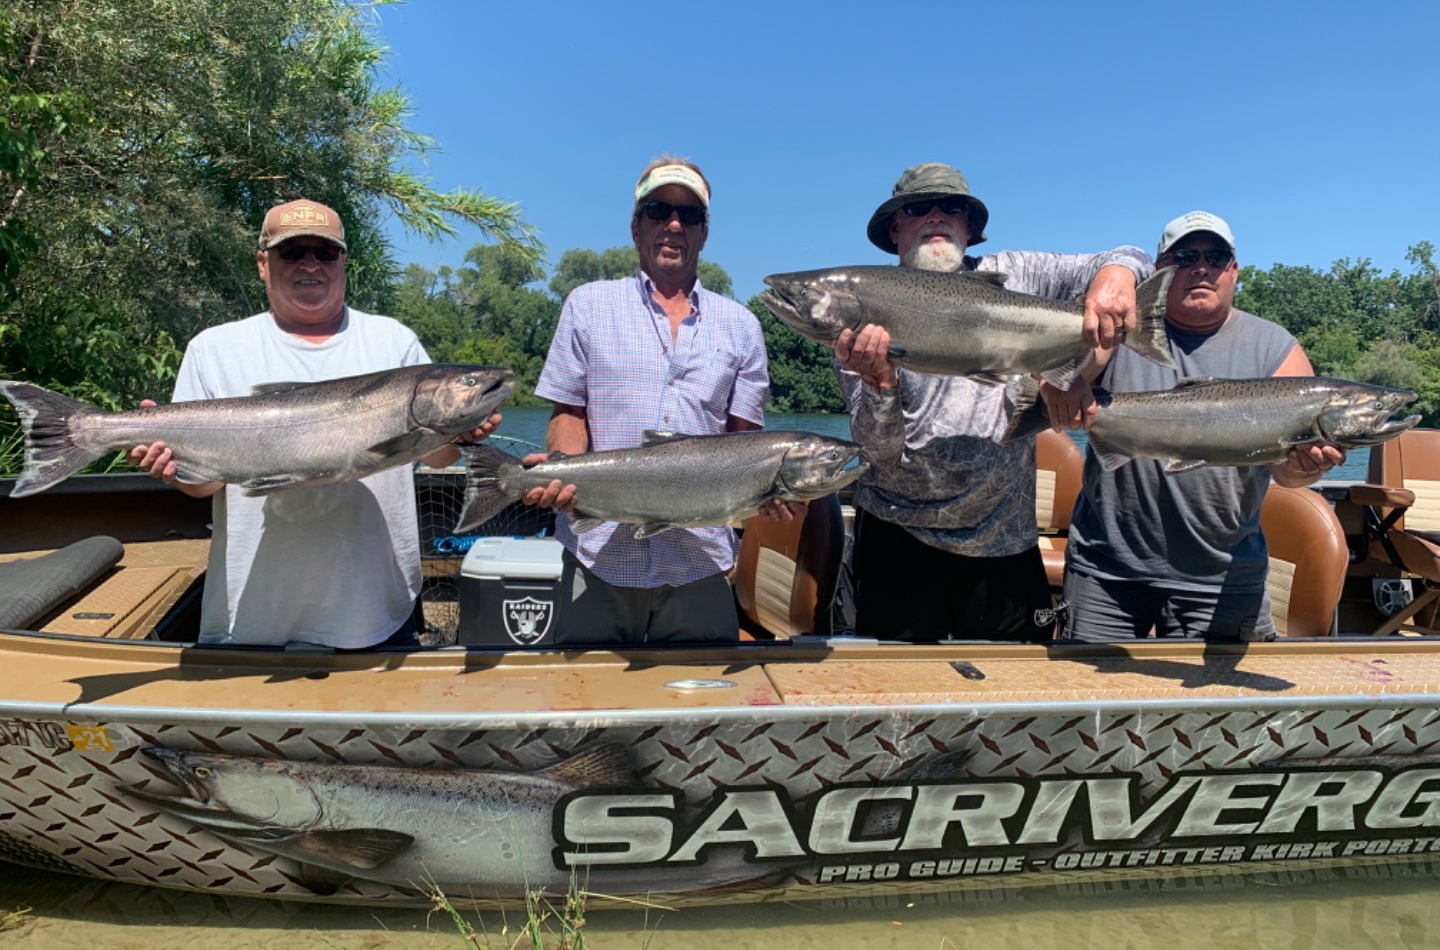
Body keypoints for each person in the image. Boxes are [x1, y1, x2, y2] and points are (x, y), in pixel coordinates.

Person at [128, 199, 498, 649]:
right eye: (292, 252)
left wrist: (459, 432)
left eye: (324, 252)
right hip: (252, 610)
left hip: (374, 611)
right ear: (263, 264)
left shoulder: (393, 341)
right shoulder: (215, 348)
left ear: (343, 260)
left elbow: (437, 457)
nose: (311, 264)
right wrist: (172, 467)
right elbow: (203, 486)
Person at [838, 162, 1151, 643]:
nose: (937, 216)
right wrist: (881, 384)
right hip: (898, 543)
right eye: (919, 207)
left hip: (1005, 542)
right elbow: (877, 455)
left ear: (969, 225)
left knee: (1012, 698)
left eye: (953, 207)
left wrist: (1117, 278)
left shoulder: (1018, 273)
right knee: (903, 703)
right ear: (896, 226)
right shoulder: (862, 315)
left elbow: (1128, 254)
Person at [525, 156, 783, 644]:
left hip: (700, 565)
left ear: (704, 233)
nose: (673, 224)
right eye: (659, 210)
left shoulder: (742, 326)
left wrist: (768, 495)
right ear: (635, 226)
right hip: (598, 557)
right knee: (588, 707)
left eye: (689, 216)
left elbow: (748, 447)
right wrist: (561, 470)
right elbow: (570, 414)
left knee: (703, 713)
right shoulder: (588, 305)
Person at [1062, 210, 1345, 642]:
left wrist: (1307, 469)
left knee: (1219, 712)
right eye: (1186, 256)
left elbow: (1286, 474)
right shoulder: (1118, 330)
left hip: (1223, 576)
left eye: (1216, 258)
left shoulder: (1275, 348)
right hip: (1106, 571)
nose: (1201, 268)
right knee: (1094, 708)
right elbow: (1065, 383)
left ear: (1233, 270)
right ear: (1159, 270)